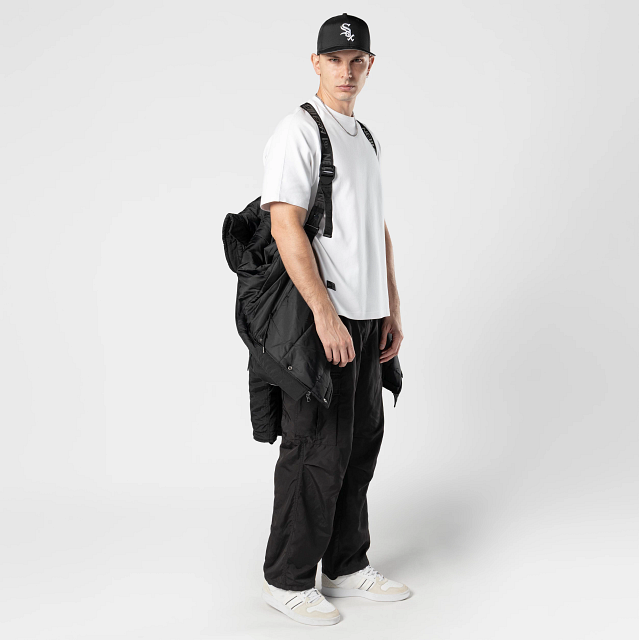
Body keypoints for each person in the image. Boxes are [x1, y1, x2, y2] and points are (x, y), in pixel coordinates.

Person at [258, 13, 409, 626]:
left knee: (360, 443)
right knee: (315, 448)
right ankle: (287, 579)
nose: (346, 72)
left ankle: (345, 565)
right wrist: (324, 313)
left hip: (366, 320)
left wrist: (390, 305)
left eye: (357, 61)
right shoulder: (299, 131)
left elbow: (376, 226)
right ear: (316, 63)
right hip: (325, 318)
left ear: (369, 66)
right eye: (335, 60)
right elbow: (284, 224)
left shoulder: (364, 137)